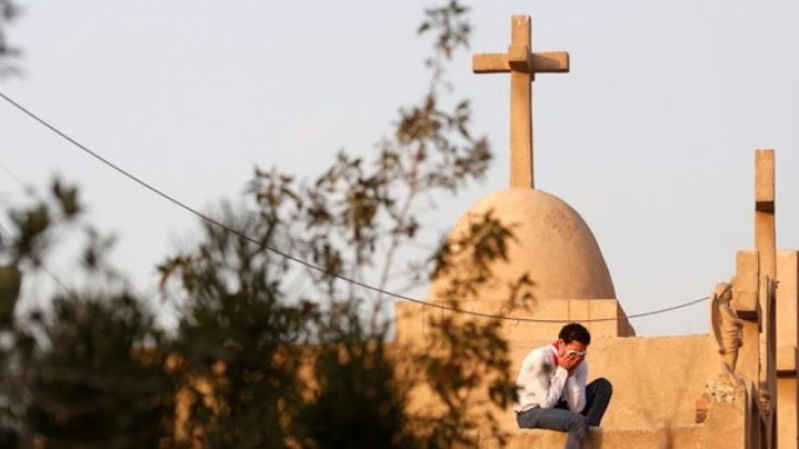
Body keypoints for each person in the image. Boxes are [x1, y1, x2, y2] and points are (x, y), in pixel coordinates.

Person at [515, 323, 612, 449]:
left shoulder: (581, 364)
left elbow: (577, 408)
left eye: (582, 354)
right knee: (578, 421)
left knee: (602, 386)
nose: (577, 358)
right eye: (574, 352)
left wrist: (570, 375)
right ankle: (582, 434)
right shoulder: (540, 358)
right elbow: (546, 404)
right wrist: (562, 371)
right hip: (530, 412)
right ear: (561, 344)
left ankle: (586, 439)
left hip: (560, 407)